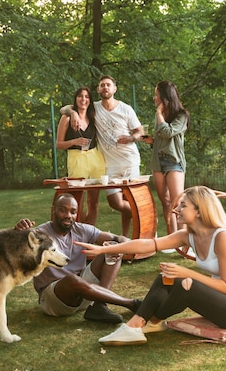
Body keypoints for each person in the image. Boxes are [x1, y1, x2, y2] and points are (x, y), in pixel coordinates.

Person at [77, 186, 226, 346]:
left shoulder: (222, 237)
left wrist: (187, 272)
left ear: (199, 210)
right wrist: (102, 250)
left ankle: (150, 321)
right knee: (166, 277)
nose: (177, 209)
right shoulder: (189, 235)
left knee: (186, 284)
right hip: (225, 305)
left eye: (183, 205)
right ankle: (138, 324)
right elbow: (148, 244)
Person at [14, 193, 141, 324]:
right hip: (55, 299)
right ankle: (131, 304)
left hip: (83, 291)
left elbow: (117, 239)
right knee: (72, 279)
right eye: (63, 210)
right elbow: (15, 254)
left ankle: (99, 305)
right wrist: (18, 234)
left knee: (113, 248)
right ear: (53, 211)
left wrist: (123, 244)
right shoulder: (39, 234)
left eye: (73, 212)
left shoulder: (80, 229)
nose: (68, 215)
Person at [62, 75, 144, 236]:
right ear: (99, 90)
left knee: (129, 202)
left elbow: (141, 131)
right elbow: (65, 108)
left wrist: (132, 138)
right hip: (109, 164)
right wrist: (73, 113)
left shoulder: (125, 108)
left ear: (114, 89)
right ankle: (142, 216)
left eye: (108, 85)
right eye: (102, 85)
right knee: (115, 202)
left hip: (129, 161)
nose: (105, 87)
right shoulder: (94, 108)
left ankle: (126, 237)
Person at [143, 80, 189, 235]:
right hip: (158, 162)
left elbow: (169, 132)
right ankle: (172, 237)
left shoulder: (181, 116)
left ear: (165, 97)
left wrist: (158, 114)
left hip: (173, 162)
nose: (154, 98)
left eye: (156, 95)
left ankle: (184, 239)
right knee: (166, 201)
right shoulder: (162, 115)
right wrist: (152, 141)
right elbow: (163, 138)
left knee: (178, 202)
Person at [56, 87, 105, 225]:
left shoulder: (93, 116)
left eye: (86, 97)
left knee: (93, 201)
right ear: (75, 99)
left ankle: (90, 234)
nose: (83, 99)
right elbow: (58, 144)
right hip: (76, 158)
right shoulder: (66, 118)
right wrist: (73, 142)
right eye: (80, 96)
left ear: (90, 100)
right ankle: (79, 232)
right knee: (76, 201)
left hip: (95, 158)